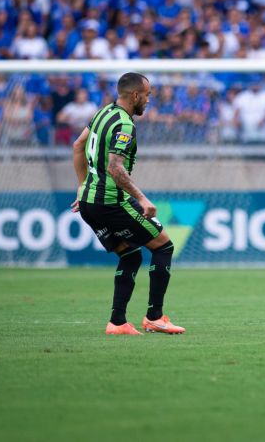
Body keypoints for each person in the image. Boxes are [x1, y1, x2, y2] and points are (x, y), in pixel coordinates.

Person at [71, 72, 185, 336]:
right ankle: (155, 317)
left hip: (89, 203)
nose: (148, 100)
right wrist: (143, 198)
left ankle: (118, 323)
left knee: (131, 255)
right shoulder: (124, 125)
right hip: (112, 202)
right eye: (147, 95)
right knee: (164, 245)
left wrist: (81, 185)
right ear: (135, 95)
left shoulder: (102, 113)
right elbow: (115, 168)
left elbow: (78, 145)